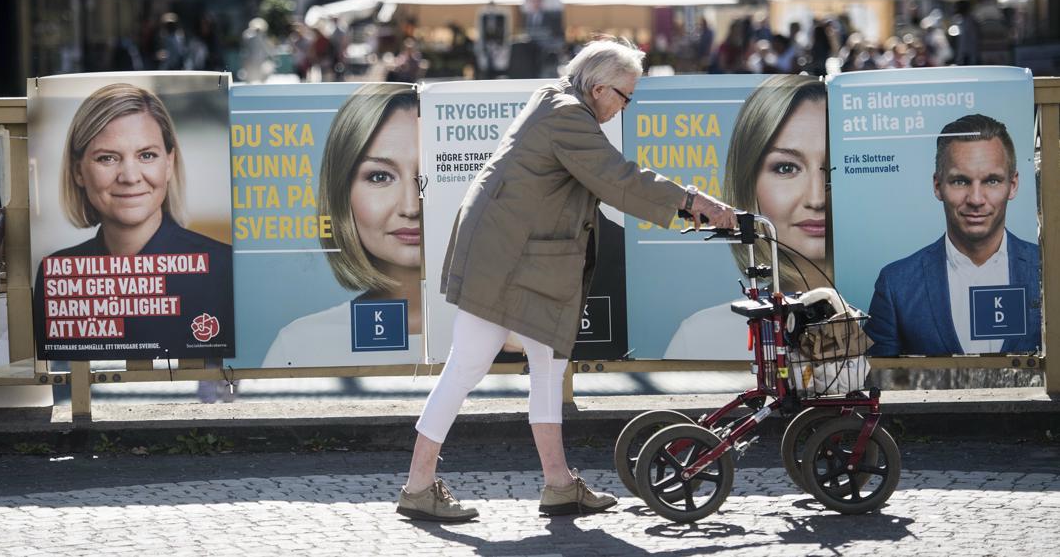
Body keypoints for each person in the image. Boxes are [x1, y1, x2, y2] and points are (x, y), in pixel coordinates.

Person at [396, 38, 736, 522]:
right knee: (469, 367)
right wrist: (697, 202)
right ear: (600, 88)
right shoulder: (567, 115)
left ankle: (558, 483)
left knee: (547, 369)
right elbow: (618, 178)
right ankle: (418, 484)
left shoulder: (556, 100)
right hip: (510, 259)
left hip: (522, 258)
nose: (623, 109)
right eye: (625, 97)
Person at [32, 83, 233, 355]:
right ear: (78, 171)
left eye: (147, 155)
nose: (130, 176)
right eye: (107, 158)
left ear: (169, 164)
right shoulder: (56, 276)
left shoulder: (223, 269)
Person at [663, 74, 830, 360]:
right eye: (787, 168)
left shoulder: (887, 318)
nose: (816, 199)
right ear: (747, 183)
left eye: (832, 168)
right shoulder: (703, 337)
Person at [262, 84, 422, 367]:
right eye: (379, 177)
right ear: (341, 193)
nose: (411, 207)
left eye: (429, 176)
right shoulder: (300, 347)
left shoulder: (512, 331)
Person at [866, 114, 1040, 356]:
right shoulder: (896, 285)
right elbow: (876, 382)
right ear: (938, 186)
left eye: (991, 181)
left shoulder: (1048, 270)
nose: (976, 199)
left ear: (1013, 185)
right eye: (960, 181)